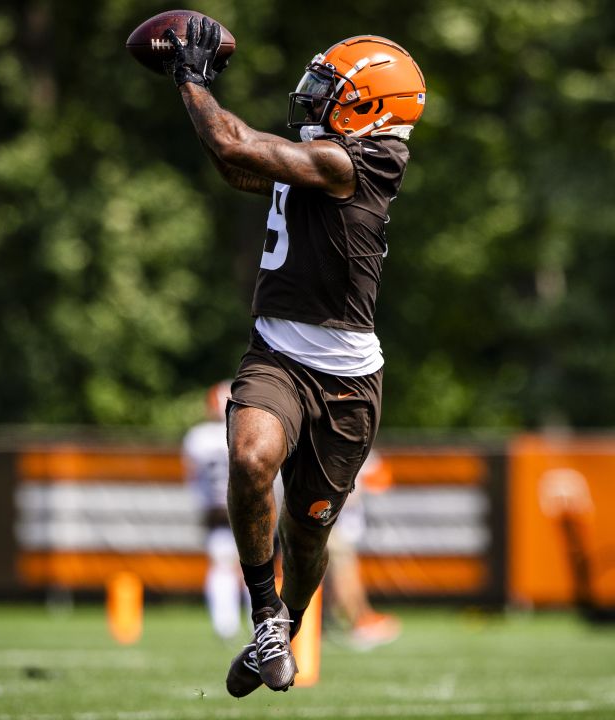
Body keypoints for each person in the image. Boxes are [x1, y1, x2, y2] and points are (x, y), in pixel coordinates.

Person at [163, 19, 425, 695]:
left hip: (346, 378)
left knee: (310, 535)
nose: (313, 98)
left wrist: (191, 81)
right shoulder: (327, 152)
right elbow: (235, 161)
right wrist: (197, 100)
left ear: (371, 106)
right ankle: (264, 619)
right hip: (277, 350)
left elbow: (234, 140)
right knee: (250, 458)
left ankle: (287, 621)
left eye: (331, 90)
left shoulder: (357, 162)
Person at [183, 381, 249, 641]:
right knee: (254, 568)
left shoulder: (197, 438)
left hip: (215, 509)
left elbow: (192, 476)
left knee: (221, 566)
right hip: (246, 508)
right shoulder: (247, 431)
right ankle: (260, 626)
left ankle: (225, 625)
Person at [325, 450, 402, 650]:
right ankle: (357, 620)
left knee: (345, 570)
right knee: (343, 571)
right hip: (331, 519)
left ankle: (360, 617)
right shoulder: (346, 442)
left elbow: (380, 480)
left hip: (340, 520)